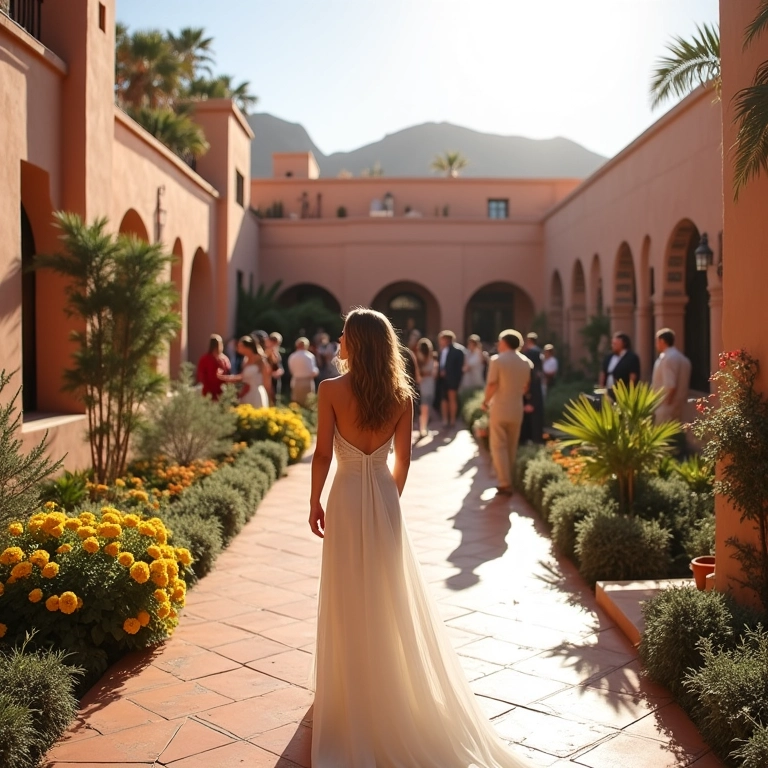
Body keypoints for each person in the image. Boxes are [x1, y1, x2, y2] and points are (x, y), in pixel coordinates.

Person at [308, 308, 532, 768]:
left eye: (345, 334)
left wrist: (315, 502)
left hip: (347, 495)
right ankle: (388, 686)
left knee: (346, 587)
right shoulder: (400, 395)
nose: (339, 340)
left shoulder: (330, 389)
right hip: (383, 496)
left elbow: (323, 455)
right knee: (387, 590)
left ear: (357, 342)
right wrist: (388, 501)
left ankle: (348, 690)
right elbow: (404, 461)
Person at [482, 330, 533, 496]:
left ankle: (504, 483)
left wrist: (485, 401)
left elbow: (492, 385)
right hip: (517, 407)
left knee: (498, 445)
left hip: (500, 407)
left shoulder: (497, 360)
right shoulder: (526, 362)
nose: (498, 344)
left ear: (504, 343)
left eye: (500, 341)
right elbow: (526, 387)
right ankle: (508, 479)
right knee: (511, 445)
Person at [651, 328, 692, 424]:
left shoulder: (667, 358)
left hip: (665, 406)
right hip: (679, 406)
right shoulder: (683, 359)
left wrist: (666, 403)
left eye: (657, 341)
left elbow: (671, 385)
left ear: (662, 341)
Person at [218, 336, 269, 408]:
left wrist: (270, 395)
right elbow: (242, 376)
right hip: (246, 393)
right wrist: (226, 378)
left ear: (247, 347)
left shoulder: (260, 360)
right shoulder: (245, 360)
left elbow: (266, 380)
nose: (237, 348)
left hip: (256, 393)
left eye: (240, 346)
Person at [436, 330, 465, 428]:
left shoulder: (458, 351)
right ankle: (445, 420)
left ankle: (452, 420)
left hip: (452, 380)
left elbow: (459, 367)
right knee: (443, 399)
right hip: (442, 380)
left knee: (452, 399)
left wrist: (452, 375)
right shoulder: (441, 351)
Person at [520, 332, 545, 444]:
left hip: (532, 404)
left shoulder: (535, 376)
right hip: (526, 404)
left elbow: (534, 391)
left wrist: (531, 402)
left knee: (534, 426)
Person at [599, 332, 641, 397]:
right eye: (613, 343)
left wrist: (630, 392)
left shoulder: (631, 358)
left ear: (624, 343)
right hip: (608, 391)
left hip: (623, 393)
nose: (613, 345)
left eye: (615, 344)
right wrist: (601, 389)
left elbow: (633, 376)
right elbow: (603, 373)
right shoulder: (609, 357)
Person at [196, 334, 231, 400]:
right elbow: (201, 375)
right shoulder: (205, 359)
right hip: (208, 392)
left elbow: (228, 373)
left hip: (221, 391)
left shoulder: (224, 359)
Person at [288, 336, 319, 406]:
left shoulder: (292, 356)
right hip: (307, 381)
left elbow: (291, 370)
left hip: (296, 380)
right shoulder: (310, 356)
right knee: (308, 402)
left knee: (296, 403)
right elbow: (313, 371)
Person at [416, 337, 437, 437]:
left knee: (424, 408)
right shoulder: (432, 358)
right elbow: (433, 373)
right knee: (426, 407)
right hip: (428, 385)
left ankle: (423, 428)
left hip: (422, 385)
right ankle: (423, 428)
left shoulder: (419, 359)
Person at [266, 332, 285, 405]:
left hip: (275, 379)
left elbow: (278, 366)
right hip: (267, 379)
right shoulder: (266, 352)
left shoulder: (276, 353)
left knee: (274, 400)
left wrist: (280, 371)